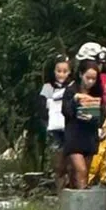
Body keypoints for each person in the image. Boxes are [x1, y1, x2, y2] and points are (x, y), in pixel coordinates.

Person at [62, 60, 105, 189]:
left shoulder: (97, 92)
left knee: (84, 174)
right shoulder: (71, 91)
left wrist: (94, 118)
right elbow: (66, 112)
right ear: (81, 75)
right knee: (81, 170)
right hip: (75, 137)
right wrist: (75, 101)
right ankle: (81, 203)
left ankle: (79, 199)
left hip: (90, 137)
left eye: (93, 79)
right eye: (88, 78)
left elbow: (101, 115)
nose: (90, 82)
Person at [38, 55, 73, 191]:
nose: (61, 74)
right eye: (59, 71)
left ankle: (70, 186)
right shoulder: (47, 88)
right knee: (58, 162)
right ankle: (59, 190)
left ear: (69, 72)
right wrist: (45, 124)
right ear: (54, 71)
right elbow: (41, 108)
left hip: (70, 128)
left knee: (71, 160)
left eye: (65, 71)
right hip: (53, 129)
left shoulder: (72, 87)